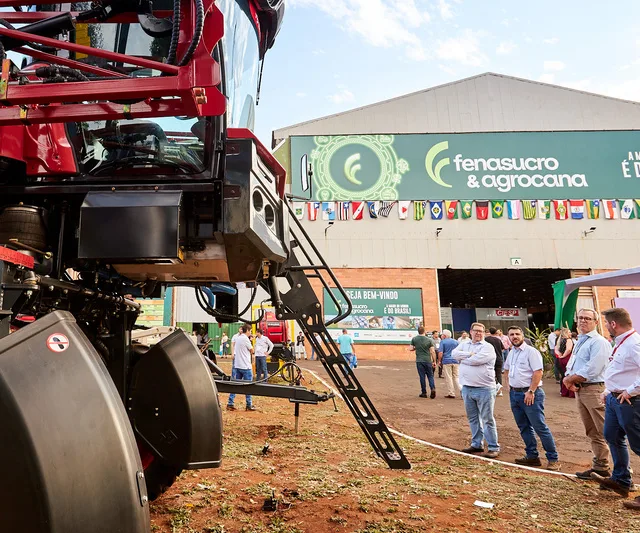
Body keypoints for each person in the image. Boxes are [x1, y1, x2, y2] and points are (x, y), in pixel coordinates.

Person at [591, 308, 640, 510]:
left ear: (613, 324)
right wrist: (608, 390)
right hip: (614, 398)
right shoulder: (621, 343)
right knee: (611, 435)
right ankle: (621, 480)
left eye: (605, 323)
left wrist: (629, 391)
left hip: (630, 401)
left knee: (639, 444)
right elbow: (619, 370)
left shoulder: (634, 344)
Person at [563, 308, 613, 480]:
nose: (583, 321)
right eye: (580, 318)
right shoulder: (581, 341)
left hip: (594, 389)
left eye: (587, 318)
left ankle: (622, 472)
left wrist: (570, 380)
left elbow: (593, 369)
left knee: (606, 431)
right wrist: (568, 379)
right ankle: (600, 466)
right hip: (582, 389)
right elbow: (572, 364)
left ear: (596, 322)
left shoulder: (598, 342)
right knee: (592, 431)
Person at [504, 326, 560, 470]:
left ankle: (553, 459)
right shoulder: (512, 353)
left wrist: (531, 391)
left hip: (530, 394)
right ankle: (532, 456)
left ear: (522, 335)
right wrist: (508, 386)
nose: (514, 336)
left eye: (517, 334)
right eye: (511, 334)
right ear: (508, 337)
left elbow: (538, 372)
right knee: (523, 427)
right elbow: (507, 369)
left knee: (539, 427)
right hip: (515, 394)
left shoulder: (531, 352)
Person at [452, 322, 500, 458]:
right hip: (467, 387)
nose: (478, 333)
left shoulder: (488, 347)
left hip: (485, 388)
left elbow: (477, 361)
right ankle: (476, 444)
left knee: (487, 419)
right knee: (473, 418)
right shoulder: (464, 344)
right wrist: (469, 354)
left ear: (484, 333)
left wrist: (464, 358)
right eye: (476, 331)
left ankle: (493, 447)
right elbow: (454, 354)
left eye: (481, 331)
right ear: (471, 332)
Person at [227, 325, 256, 411]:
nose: (250, 333)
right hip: (245, 366)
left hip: (238, 365)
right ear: (247, 330)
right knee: (248, 386)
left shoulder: (238, 338)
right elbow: (252, 350)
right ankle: (249, 404)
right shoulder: (245, 339)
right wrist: (251, 342)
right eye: (250, 331)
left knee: (235, 385)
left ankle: (230, 403)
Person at [411, 326, 437, 399]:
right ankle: (432, 388)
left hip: (419, 360)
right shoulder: (429, 340)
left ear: (418, 331)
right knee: (430, 376)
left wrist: (416, 347)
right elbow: (432, 351)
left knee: (422, 377)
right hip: (428, 360)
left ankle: (424, 392)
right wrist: (434, 361)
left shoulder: (414, 339)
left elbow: (410, 348)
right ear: (424, 331)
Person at [438, 329, 460, 398]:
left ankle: (451, 393)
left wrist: (439, 360)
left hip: (447, 361)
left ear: (444, 335)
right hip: (456, 361)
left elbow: (440, 352)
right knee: (456, 377)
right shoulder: (456, 342)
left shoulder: (443, 342)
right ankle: (462, 390)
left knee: (449, 377)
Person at [555, 328, 575, 398]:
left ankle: (564, 391)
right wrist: (564, 355)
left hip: (561, 359)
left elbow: (556, 349)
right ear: (566, 333)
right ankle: (569, 392)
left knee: (564, 374)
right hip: (567, 358)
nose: (570, 333)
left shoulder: (559, 340)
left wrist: (560, 355)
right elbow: (569, 349)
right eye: (569, 332)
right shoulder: (568, 340)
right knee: (569, 374)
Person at [485, 327, 505, 396]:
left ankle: (494, 387)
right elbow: (503, 349)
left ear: (489, 332)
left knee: (490, 374)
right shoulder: (498, 340)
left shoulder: (486, 339)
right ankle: (500, 390)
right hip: (499, 359)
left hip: (490, 359)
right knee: (499, 374)